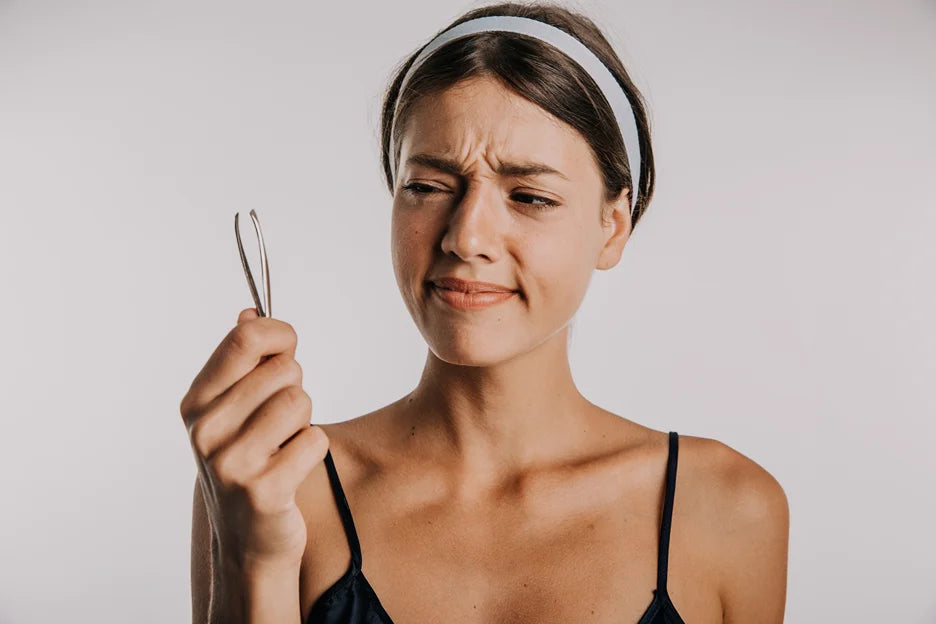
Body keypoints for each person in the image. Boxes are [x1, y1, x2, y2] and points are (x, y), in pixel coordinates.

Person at [183, 3, 790, 623]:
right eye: (428, 186)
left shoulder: (726, 508)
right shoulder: (277, 487)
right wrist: (255, 559)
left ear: (613, 226)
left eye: (530, 196)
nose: (466, 237)